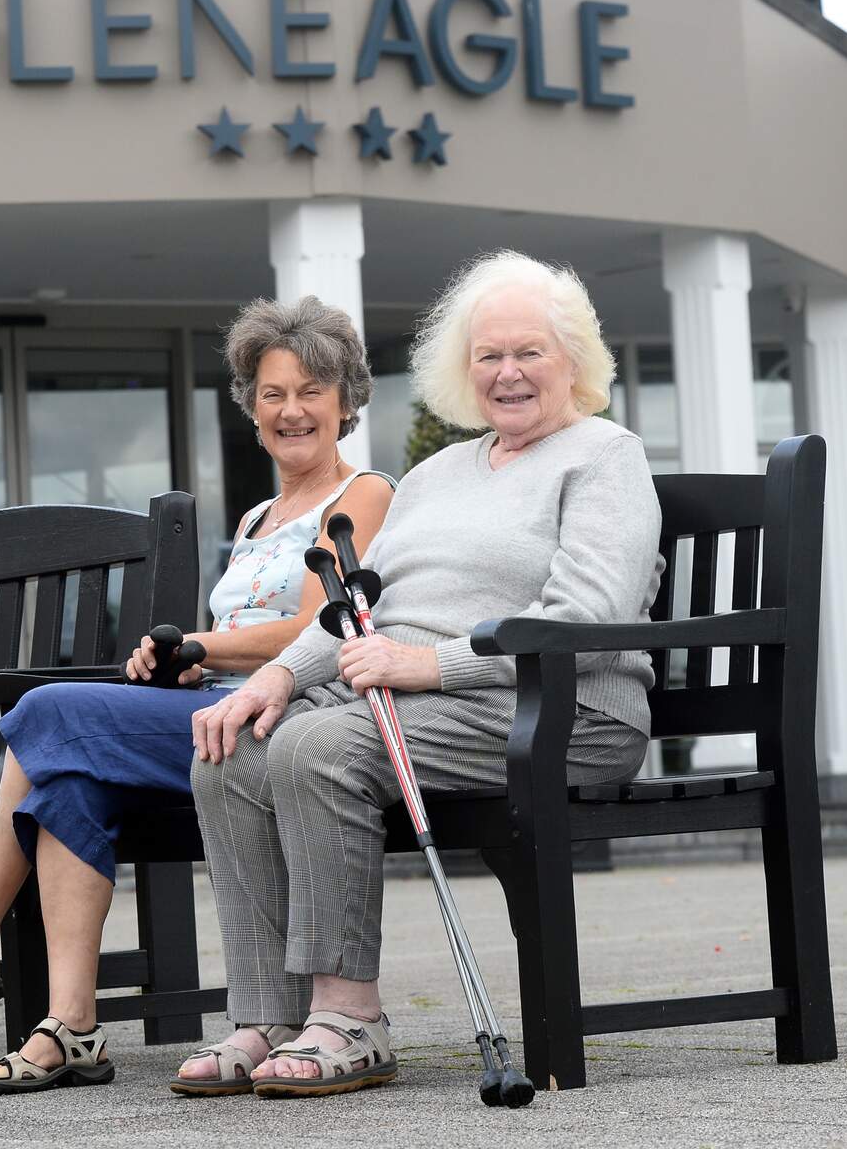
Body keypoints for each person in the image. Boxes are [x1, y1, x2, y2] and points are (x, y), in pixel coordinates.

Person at [0, 296, 393, 1095]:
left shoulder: (364, 495)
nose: (292, 410)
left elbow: (323, 627)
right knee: (68, 781)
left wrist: (203, 645)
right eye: (272, 394)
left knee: (45, 712)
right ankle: (70, 1028)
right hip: (213, 722)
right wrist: (180, 663)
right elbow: (231, 641)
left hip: (294, 721)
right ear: (251, 408)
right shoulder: (256, 516)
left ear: (347, 401)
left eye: (312, 391)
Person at [179, 250, 664, 1098]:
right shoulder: (439, 474)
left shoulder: (603, 455)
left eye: (528, 353)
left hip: (560, 711)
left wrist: (426, 664)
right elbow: (356, 606)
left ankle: (350, 1016)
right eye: (488, 356)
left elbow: (586, 622)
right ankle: (267, 1015)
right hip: (429, 706)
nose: (506, 373)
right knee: (235, 747)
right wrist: (279, 679)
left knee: (319, 746)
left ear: (575, 361)